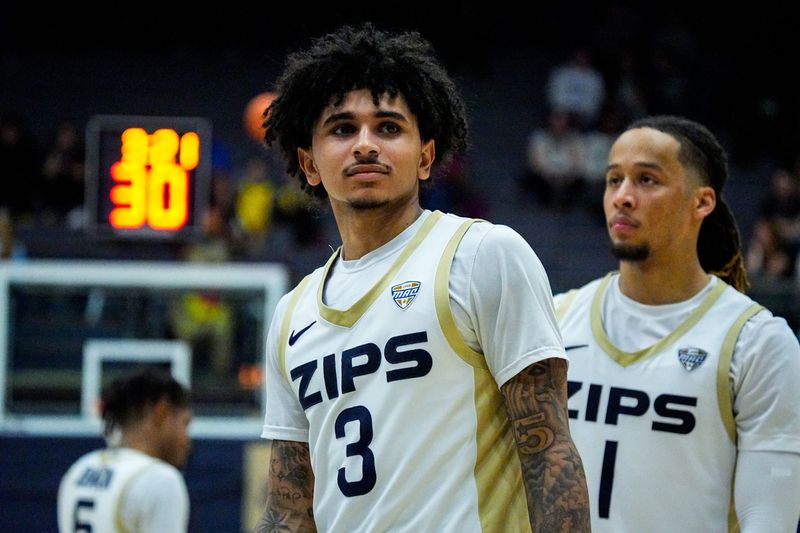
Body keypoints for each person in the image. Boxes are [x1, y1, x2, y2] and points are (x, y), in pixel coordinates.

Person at [255, 22, 590, 532]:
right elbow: (287, 508)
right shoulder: (291, 315)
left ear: (427, 156)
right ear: (310, 163)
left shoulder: (481, 256)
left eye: (389, 128)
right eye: (343, 130)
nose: (366, 145)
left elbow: (550, 454)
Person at [554, 115, 800, 532]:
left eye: (647, 180)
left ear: (701, 202)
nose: (623, 197)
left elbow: (769, 516)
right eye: (614, 180)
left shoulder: (757, 343)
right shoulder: (555, 319)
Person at [57, 366, 192, 533]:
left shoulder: (80, 469)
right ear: (161, 413)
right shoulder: (161, 479)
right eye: (185, 423)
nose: (187, 439)